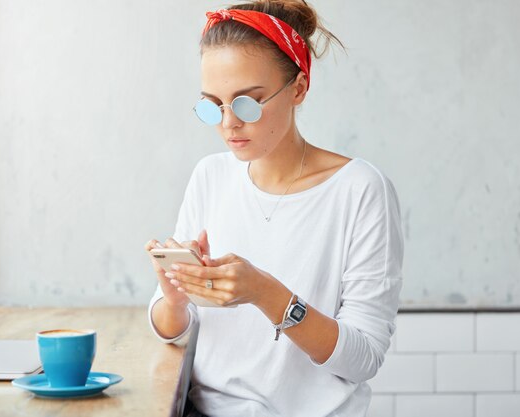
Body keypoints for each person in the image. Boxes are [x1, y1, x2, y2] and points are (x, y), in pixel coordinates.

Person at [145, 1, 404, 416]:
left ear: (299, 88)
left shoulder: (359, 190)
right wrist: (175, 301)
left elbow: (363, 358)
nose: (229, 123)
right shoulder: (210, 176)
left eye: (247, 103)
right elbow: (169, 329)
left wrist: (267, 294)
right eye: (213, 104)